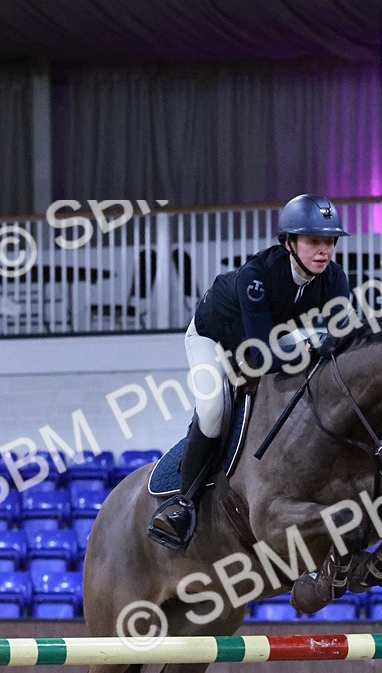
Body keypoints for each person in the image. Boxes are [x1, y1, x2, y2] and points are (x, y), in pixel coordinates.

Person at [149, 193, 351, 548]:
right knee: (213, 409)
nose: (324, 251)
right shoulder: (257, 277)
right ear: (289, 243)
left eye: (330, 242)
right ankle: (183, 504)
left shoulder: (333, 278)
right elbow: (259, 358)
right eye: (313, 241)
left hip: (268, 337)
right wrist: (310, 346)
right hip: (213, 338)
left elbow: (345, 334)